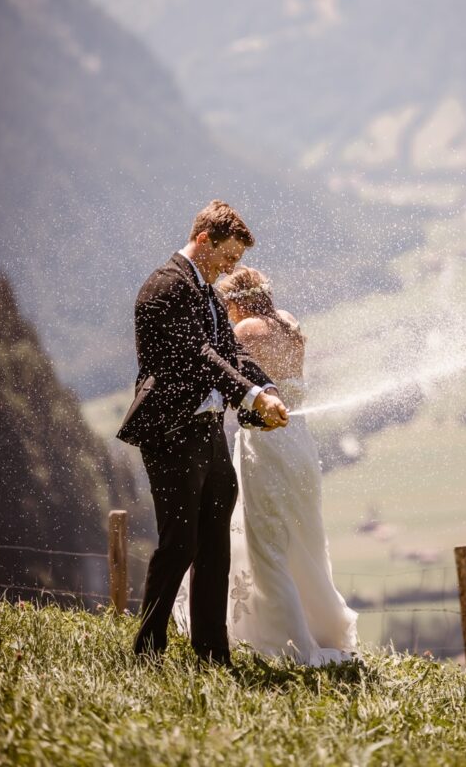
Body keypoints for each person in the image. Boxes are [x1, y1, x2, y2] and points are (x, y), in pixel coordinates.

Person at [117, 201, 288, 667]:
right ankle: (147, 648)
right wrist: (252, 399)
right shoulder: (166, 286)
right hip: (171, 432)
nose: (232, 268)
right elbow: (200, 357)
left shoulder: (209, 293)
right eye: (229, 257)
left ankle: (212, 654)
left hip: (207, 431)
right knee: (180, 544)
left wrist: (267, 387)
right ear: (205, 240)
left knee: (214, 544)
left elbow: (230, 353)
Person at [175, 266, 357, 665]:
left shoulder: (246, 332)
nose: (227, 312)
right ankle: (323, 628)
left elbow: (231, 381)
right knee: (304, 541)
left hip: (268, 444)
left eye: (227, 304)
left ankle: (291, 643)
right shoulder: (289, 323)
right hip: (301, 446)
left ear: (237, 301)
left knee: (268, 545)